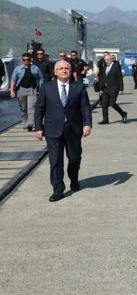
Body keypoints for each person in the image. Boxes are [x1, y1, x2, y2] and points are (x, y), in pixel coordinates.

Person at [34, 60, 92, 201]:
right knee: (55, 160)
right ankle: (58, 188)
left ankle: (74, 178)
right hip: (52, 130)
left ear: (70, 71)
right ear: (55, 72)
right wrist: (38, 127)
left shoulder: (78, 87)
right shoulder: (47, 88)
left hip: (73, 129)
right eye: (60, 68)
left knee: (74, 158)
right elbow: (39, 108)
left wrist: (87, 124)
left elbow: (85, 107)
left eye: (66, 68)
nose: (64, 70)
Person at [10, 52, 43, 131]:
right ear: (22, 60)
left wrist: (41, 88)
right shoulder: (17, 69)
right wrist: (12, 91)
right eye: (24, 60)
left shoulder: (36, 68)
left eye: (28, 59)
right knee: (23, 108)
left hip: (32, 89)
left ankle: (30, 123)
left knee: (31, 107)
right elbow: (13, 80)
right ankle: (25, 122)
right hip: (21, 89)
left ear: (30, 59)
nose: (26, 61)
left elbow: (41, 78)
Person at [99, 53, 127, 125]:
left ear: (111, 59)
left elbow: (120, 77)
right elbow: (103, 78)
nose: (106, 61)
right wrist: (101, 89)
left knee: (112, 103)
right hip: (105, 89)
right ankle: (105, 119)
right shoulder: (104, 67)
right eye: (105, 60)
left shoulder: (116, 66)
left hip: (114, 88)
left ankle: (123, 113)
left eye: (108, 60)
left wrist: (121, 89)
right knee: (104, 104)